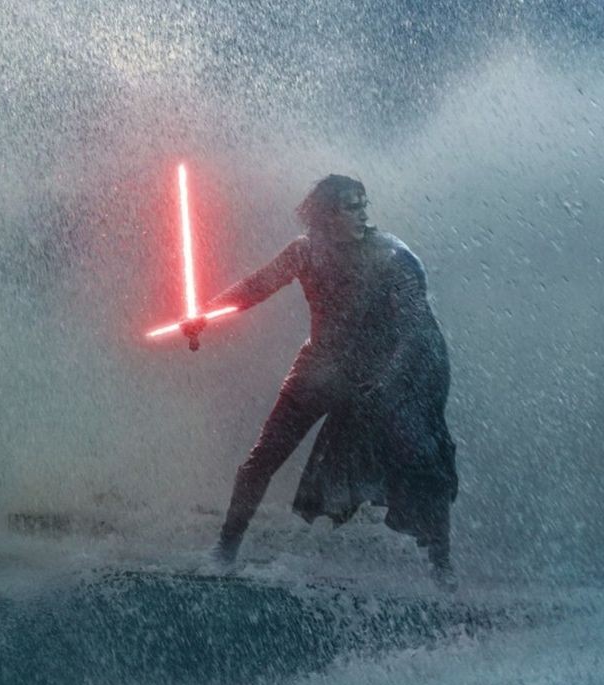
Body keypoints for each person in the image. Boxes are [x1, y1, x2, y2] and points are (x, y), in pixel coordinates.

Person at [182, 175, 457, 583]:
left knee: (424, 460)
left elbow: (415, 331)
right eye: (351, 207)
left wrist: (386, 381)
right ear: (326, 215)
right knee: (263, 457)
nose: (363, 214)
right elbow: (257, 286)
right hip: (319, 367)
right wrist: (205, 313)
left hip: (377, 375)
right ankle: (225, 550)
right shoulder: (304, 251)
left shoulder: (392, 256)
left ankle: (442, 568)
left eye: (363, 205)